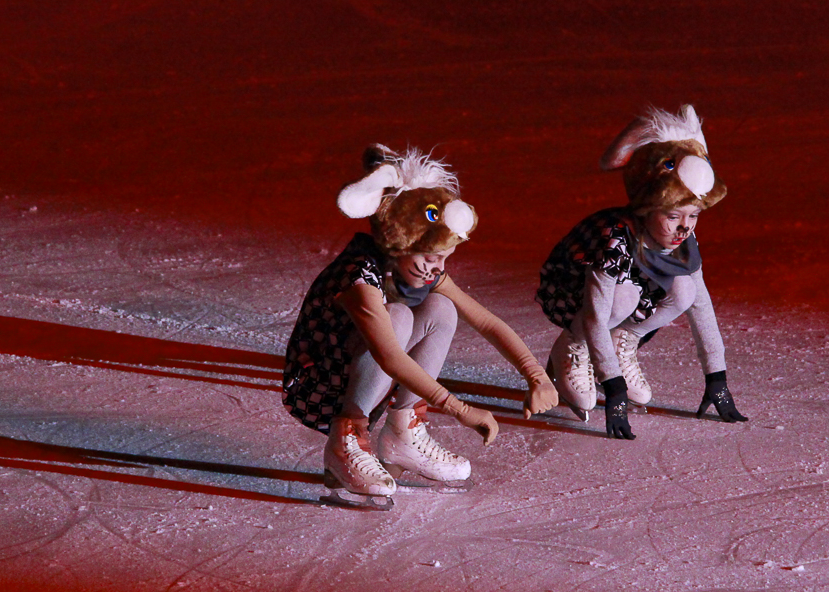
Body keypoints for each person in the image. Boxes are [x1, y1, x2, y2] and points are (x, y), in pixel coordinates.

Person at [284, 144, 558, 506]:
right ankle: (345, 436)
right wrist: (461, 410)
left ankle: (402, 434)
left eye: (444, 258)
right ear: (401, 242)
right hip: (319, 384)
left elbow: (487, 322)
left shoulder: (423, 274)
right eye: (430, 257)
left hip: (365, 375)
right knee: (397, 316)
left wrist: (536, 375)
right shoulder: (359, 278)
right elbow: (390, 357)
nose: (436, 268)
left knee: (441, 307)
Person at [536, 105, 747, 440]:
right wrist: (614, 386)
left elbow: (700, 306)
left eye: (693, 216)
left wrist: (716, 378)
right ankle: (572, 346)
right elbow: (595, 314)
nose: (684, 227)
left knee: (685, 289)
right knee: (623, 296)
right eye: (675, 215)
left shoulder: (682, 239)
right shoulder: (616, 239)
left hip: (622, 297)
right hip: (573, 292)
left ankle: (625, 339)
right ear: (649, 207)